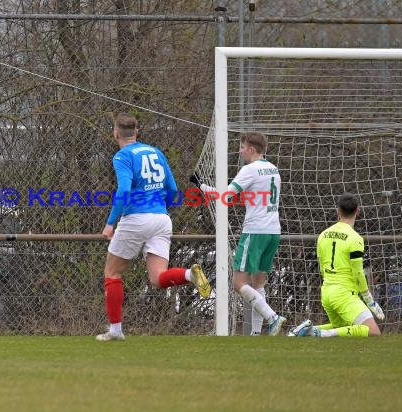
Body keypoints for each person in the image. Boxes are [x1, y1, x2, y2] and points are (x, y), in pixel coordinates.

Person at [96, 113, 211, 341]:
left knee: (113, 272)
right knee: (158, 278)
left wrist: (110, 224)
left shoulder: (122, 156)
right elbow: (173, 189)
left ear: (115, 133)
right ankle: (190, 274)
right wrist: (161, 208)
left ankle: (116, 330)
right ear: (137, 132)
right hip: (161, 218)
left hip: (136, 218)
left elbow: (124, 191)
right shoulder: (156, 152)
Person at [191, 131, 286, 336]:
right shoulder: (273, 168)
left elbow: (225, 196)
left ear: (252, 149)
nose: (240, 151)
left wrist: (202, 186)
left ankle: (272, 317)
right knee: (258, 283)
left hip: (255, 231)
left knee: (238, 283)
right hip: (273, 231)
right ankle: (256, 333)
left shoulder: (250, 170)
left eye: (242, 147)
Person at [289, 193, 385, 338]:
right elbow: (358, 273)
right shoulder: (355, 239)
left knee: (342, 328)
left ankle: (305, 330)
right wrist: (369, 300)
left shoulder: (323, 235)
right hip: (344, 293)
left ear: (338, 211)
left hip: (327, 292)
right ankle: (322, 333)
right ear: (358, 211)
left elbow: (321, 267)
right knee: (373, 332)